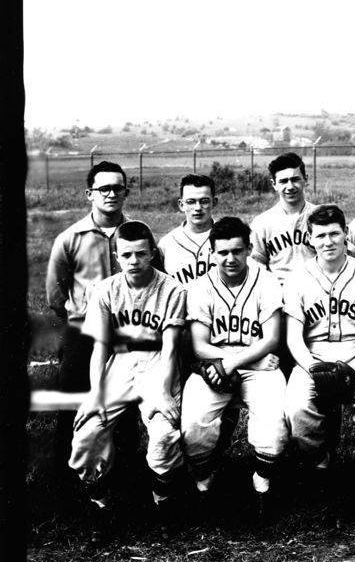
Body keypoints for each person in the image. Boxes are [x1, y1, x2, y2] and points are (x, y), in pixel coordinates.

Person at [67, 222, 187, 541]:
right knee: (87, 434)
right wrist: (95, 394)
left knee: (164, 432)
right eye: (127, 255)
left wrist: (163, 392)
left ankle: (163, 503)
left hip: (157, 360)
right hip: (118, 360)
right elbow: (100, 346)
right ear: (117, 256)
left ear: (152, 254)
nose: (134, 261)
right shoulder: (105, 289)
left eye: (141, 254)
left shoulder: (172, 288)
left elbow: (172, 344)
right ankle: (102, 506)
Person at [180, 217, 288, 521]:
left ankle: (261, 484)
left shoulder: (265, 280)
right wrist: (239, 361)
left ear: (250, 249)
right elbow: (199, 345)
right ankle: (205, 482)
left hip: (255, 367)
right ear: (211, 253)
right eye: (222, 252)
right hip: (218, 364)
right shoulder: (201, 286)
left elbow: (272, 338)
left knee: (274, 426)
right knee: (193, 425)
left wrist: (236, 362)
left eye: (237, 251)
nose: (230, 258)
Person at [284, 204, 355, 487]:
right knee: (296, 407)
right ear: (309, 238)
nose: (328, 241)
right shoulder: (297, 278)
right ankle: (320, 461)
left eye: (334, 234)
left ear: (346, 233)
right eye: (320, 236)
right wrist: (314, 368)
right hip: (314, 355)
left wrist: (353, 369)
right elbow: (294, 336)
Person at [46, 161, 135, 465]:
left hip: (127, 331)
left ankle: (124, 474)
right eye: (103, 188)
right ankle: (64, 475)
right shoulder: (70, 239)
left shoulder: (138, 235)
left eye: (117, 188)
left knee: (126, 405)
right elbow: (56, 297)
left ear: (126, 191)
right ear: (90, 193)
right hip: (84, 332)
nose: (111, 193)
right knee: (73, 400)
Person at [250, 152, 319, 284]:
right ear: (274, 184)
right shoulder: (262, 223)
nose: (290, 187)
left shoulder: (321, 216)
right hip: (278, 292)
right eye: (283, 181)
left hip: (318, 291)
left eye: (295, 179)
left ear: (306, 179)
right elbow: (257, 266)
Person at [158, 174, 218, 286]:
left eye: (204, 201)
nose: (198, 208)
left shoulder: (228, 237)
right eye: (191, 202)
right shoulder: (166, 244)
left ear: (214, 202)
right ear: (181, 205)